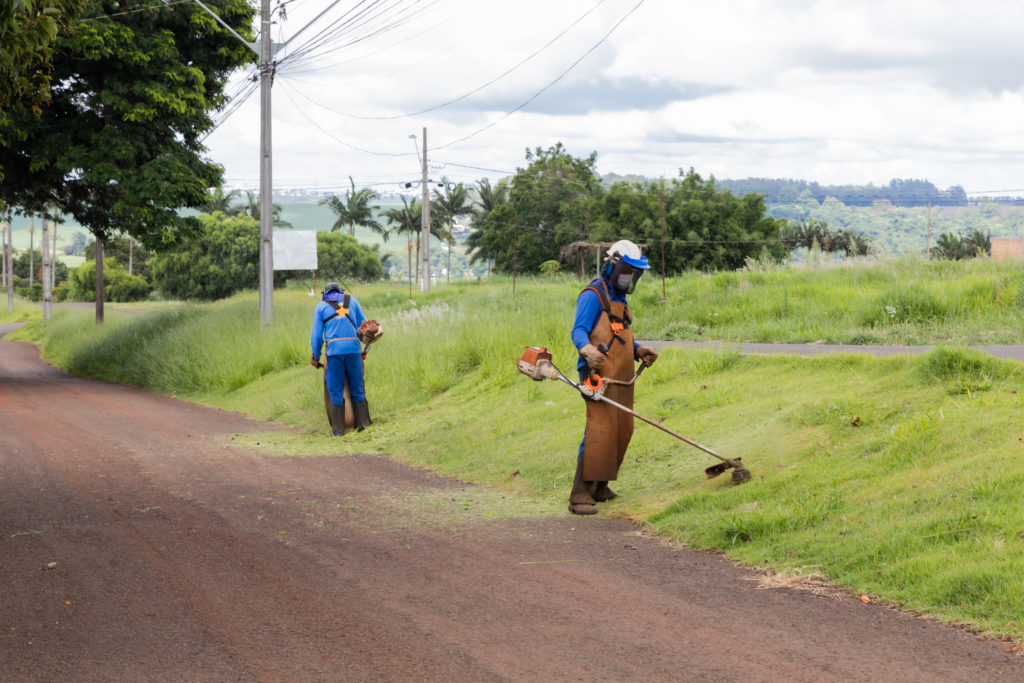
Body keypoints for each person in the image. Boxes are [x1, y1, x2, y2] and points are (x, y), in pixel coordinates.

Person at [568, 240, 659, 515]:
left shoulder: (620, 299)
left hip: (620, 374)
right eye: (626, 270)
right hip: (596, 373)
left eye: (634, 273)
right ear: (612, 265)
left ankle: (600, 486)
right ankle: (580, 494)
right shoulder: (592, 294)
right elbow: (579, 330)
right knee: (599, 428)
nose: (629, 277)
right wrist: (585, 350)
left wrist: (638, 350)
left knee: (621, 428)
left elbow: (620, 335)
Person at [310, 282, 381, 436]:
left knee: (335, 390)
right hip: (354, 351)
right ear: (341, 292)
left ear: (325, 294)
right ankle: (364, 425)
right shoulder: (353, 301)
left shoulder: (321, 307)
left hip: (334, 353)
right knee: (357, 387)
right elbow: (365, 326)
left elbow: (316, 337)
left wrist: (315, 356)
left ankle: (338, 430)